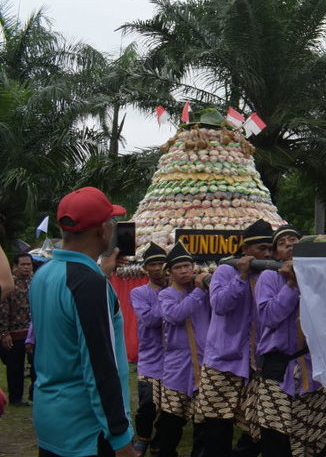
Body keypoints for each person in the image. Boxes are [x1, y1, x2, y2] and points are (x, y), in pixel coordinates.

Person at [29, 186, 135, 457]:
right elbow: (101, 368)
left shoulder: (43, 274)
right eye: (111, 221)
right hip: (88, 432)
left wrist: (101, 271)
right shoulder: (90, 285)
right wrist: (121, 438)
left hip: (52, 420)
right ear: (102, 230)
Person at [194, 218, 274, 456]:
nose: (267, 253)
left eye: (270, 249)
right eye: (262, 249)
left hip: (254, 363)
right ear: (246, 249)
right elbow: (219, 304)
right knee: (217, 427)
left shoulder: (267, 275)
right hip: (223, 361)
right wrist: (241, 277)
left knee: (256, 427)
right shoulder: (225, 271)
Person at [254, 223, 326, 457]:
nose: (289, 244)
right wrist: (291, 285)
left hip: (310, 366)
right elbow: (269, 317)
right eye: (282, 242)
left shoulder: (316, 277)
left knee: (318, 433)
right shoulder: (269, 277)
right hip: (277, 367)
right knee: (276, 434)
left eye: (294, 240)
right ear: (276, 253)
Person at [158, 242, 211, 457]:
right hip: (177, 368)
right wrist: (198, 292)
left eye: (188, 266)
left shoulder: (204, 292)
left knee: (203, 424)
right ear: (170, 272)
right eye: (179, 268)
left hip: (204, 365)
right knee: (171, 421)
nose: (185, 271)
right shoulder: (166, 295)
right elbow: (176, 315)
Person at [130, 243, 169, 455]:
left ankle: (158, 442)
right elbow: (150, 319)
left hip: (174, 360)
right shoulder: (139, 293)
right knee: (148, 404)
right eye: (152, 264)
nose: (157, 268)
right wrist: (167, 294)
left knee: (170, 408)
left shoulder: (177, 290)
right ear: (145, 269)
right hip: (150, 359)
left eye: (161, 263)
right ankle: (143, 437)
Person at [1, 253, 34, 406]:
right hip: (14, 333)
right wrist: (4, 332)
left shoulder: (35, 282)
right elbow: (3, 310)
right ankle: (16, 398)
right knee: (15, 368)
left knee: (36, 366)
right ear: (15, 267)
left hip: (33, 332)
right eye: (23, 264)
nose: (26, 267)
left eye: (29, 264)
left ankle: (35, 395)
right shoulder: (9, 285)